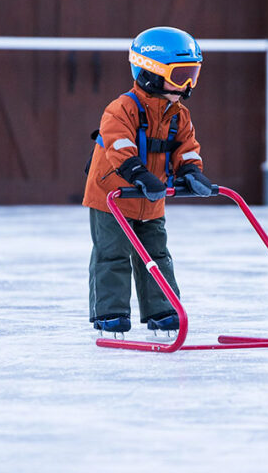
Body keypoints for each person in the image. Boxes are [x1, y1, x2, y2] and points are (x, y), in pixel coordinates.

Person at [83, 26, 213, 336]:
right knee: (112, 253)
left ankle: (163, 311)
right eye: (180, 74)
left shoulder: (179, 114)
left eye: (192, 74)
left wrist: (191, 172)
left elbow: (187, 148)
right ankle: (110, 314)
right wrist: (139, 174)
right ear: (150, 72)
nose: (187, 84)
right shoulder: (121, 109)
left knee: (156, 254)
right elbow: (118, 145)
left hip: (151, 198)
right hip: (112, 195)